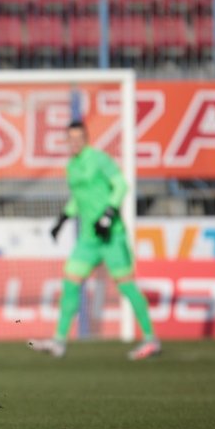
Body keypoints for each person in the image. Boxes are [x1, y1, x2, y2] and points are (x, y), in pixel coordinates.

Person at [29, 121, 161, 361]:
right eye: (71, 138)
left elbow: (121, 185)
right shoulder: (71, 165)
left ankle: (151, 339)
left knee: (126, 285)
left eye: (79, 137)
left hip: (112, 236)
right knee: (70, 280)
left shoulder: (99, 159)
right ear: (67, 140)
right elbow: (78, 199)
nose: (75, 142)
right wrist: (63, 218)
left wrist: (109, 214)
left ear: (86, 138)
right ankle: (59, 341)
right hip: (89, 238)